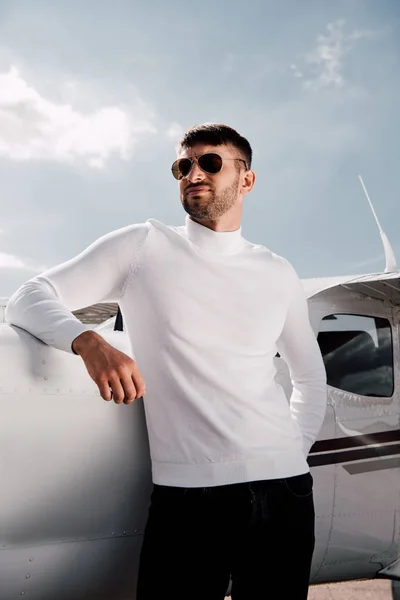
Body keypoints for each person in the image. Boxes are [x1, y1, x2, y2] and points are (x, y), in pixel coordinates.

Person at [5, 123, 327, 599]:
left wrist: (289, 457)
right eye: (184, 165)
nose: (194, 173)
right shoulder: (143, 246)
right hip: (189, 499)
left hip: (285, 494)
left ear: (247, 179)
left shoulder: (276, 270)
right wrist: (88, 342)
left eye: (210, 163)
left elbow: (310, 378)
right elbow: (29, 296)